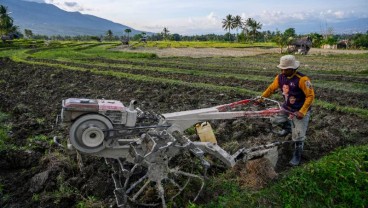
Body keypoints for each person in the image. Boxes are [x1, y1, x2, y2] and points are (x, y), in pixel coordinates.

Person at [260, 55, 315, 166]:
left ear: (293, 68)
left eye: (286, 69)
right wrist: (261, 98)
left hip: (299, 110)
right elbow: (271, 88)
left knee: (298, 135)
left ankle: (297, 156)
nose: (283, 71)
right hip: (287, 107)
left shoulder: (302, 80)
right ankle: (289, 128)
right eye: (282, 68)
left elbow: (310, 96)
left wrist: (302, 111)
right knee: (274, 118)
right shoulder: (280, 77)